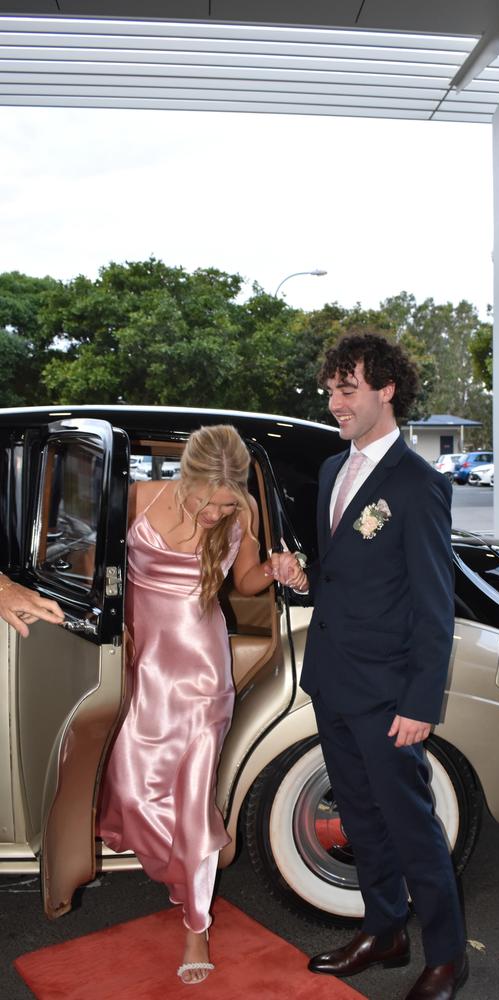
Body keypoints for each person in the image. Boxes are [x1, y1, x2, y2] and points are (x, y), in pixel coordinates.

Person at [1, 425, 296, 988]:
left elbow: (250, 582)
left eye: (226, 501)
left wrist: (279, 568)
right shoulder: (136, 498)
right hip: (141, 669)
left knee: (188, 799)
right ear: (183, 476)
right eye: (204, 497)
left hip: (203, 678)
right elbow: (79, 560)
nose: (213, 511)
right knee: (134, 790)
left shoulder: (243, 512)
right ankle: (203, 846)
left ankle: (195, 923)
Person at [284, 334, 468, 1000]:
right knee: (360, 819)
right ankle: (386, 930)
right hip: (333, 680)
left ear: (386, 390)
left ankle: (447, 957)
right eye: (330, 390)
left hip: (391, 695)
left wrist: (422, 701)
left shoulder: (418, 486)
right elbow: (345, 578)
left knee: (412, 827)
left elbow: (432, 604)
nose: (335, 403)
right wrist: (300, 577)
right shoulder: (336, 471)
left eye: (347, 390)